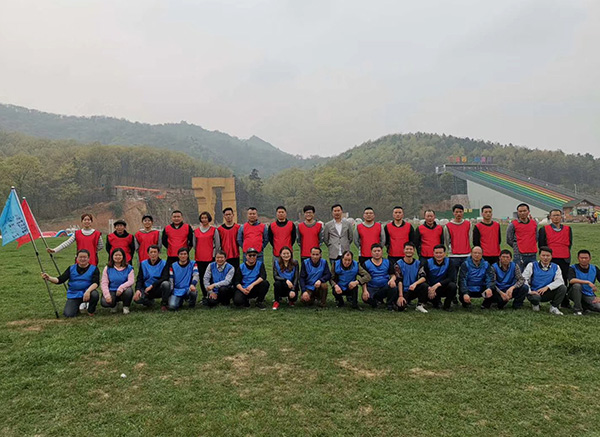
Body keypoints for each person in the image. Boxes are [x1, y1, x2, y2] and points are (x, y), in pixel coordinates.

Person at [41, 249, 100, 317]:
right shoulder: (71, 268)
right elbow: (60, 280)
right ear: (77, 258)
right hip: (74, 294)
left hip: (88, 293)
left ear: (88, 258)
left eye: (85, 257)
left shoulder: (94, 269)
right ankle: (78, 306)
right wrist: (49, 278)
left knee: (95, 294)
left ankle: (90, 310)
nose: (82, 259)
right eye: (80, 257)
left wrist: (88, 291)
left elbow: (96, 283)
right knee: (69, 314)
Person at [538, 208, 573, 307]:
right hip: (550, 259)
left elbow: (569, 243)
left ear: (561, 217)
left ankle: (564, 301)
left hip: (564, 258)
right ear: (550, 217)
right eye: (554, 215)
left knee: (564, 279)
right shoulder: (544, 229)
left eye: (558, 215)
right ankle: (551, 299)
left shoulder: (568, 229)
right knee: (550, 279)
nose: (556, 217)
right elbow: (542, 245)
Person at [522, 246, 567, 315]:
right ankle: (535, 304)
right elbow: (524, 279)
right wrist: (530, 291)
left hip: (547, 292)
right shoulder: (532, 265)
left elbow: (560, 281)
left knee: (563, 288)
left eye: (548, 256)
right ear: (539, 256)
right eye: (543, 255)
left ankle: (554, 307)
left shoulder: (556, 267)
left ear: (551, 256)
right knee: (535, 299)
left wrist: (547, 287)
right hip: (535, 292)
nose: (545, 258)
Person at [417, 244, 456, 311]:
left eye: (440, 253)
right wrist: (430, 288)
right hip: (430, 289)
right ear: (433, 253)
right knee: (423, 285)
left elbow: (450, 278)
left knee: (453, 286)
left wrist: (437, 285)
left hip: (442, 286)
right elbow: (424, 277)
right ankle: (426, 302)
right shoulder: (427, 262)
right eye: (436, 253)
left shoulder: (450, 262)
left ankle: (447, 306)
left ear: (444, 254)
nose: (438, 255)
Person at [193, 211, 221, 304]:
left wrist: (214, 255)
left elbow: (217, 244)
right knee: (202, 277)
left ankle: (213, 295)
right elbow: (194, 244)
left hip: (210, 258)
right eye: (202, 218)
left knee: (211, 277)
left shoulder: (214, 230)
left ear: (209, 219)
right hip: (200, 258)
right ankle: (205, 295)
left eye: (205, 218)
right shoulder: (196, 231)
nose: (204, 219)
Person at [133, 245, 170, 311]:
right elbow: (139, 279)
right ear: (148, 254)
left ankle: (164, 304)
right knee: (137, 299)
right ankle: (149, 302)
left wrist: (152, 286)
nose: (153, 254)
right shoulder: (143, 264)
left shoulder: (164, 263)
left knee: (166, 284)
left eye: (155, 252)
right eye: (151, 252)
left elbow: (165, 277)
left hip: (158, 287)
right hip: (146, 289)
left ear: (159, 253)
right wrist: (138, 289)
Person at [394, 242, 428, 313]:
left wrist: (415, 284)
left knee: (424, 285)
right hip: (402, 290)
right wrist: (401, 296)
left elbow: (423, 277)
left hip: (412, 289)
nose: (409, 251)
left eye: (411, 249)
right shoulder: (398, 264)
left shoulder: (418, 263)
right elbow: (399, 280)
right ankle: (401, 301)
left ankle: (420, 305)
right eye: (407, 249)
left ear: (414, 251)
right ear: (404, 250)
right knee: (401, 308)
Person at [361, 244, 397, 310]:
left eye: (378, 251)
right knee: (365, 298)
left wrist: (392, 280)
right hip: (372, 287)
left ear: (382, 252)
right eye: (375, 251)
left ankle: (389, 304)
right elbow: (363, 279)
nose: (377, 253)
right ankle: (376, 301)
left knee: (393, 287)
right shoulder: (366, 264)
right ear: (371, 252)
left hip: (384, 286)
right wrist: (365, 291)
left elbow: (393, 275)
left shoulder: (387, 262)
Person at [100, 248, 134, 314]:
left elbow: (131, 281)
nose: (118, 257)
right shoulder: (107, 268)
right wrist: (107, 296)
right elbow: (104, 283)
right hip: (112, 290)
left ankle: (126, 306)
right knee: (104, 302)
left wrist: (121, 288)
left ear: (123, 257)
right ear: (112, 257)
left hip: (124, 290)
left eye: (120, 255)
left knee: (129, 291)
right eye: (116, 255)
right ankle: (114, 305)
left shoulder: (129, 268)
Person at [568, 250, 600, 315]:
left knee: (598, 306)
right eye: (581, 258)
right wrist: (587, 282)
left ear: (590, 258)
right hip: (574, 292)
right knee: (577, 285)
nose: (584, 260)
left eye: (586, 258)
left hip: (588, 294)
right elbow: (571, 280)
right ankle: (577, 310)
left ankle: (585, 306)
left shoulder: (594, 268)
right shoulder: (572, 268)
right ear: (578, 258)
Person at [507, 203, 538, 271]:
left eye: (524, 211)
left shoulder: (534, 223)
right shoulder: (513, 224)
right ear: (517, 212)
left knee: (533, 273)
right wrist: (517, 247)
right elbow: (509, 239)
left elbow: (536, 237)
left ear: (528, 211)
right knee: (519, 274)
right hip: (519, 255)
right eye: (520, 211)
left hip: (532, 254)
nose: (522, 213)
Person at [444, 204, 472, 272]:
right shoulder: (448, 226)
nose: (458, 214)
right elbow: (446, 240)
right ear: (453, 213)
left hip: (466, 254)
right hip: (453, 255)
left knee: (466, 275)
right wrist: (450, 250)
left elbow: (470, 238)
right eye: (456, 212)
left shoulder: (468, 224)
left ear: (463, 212)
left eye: (460, 212)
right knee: (454, 275)